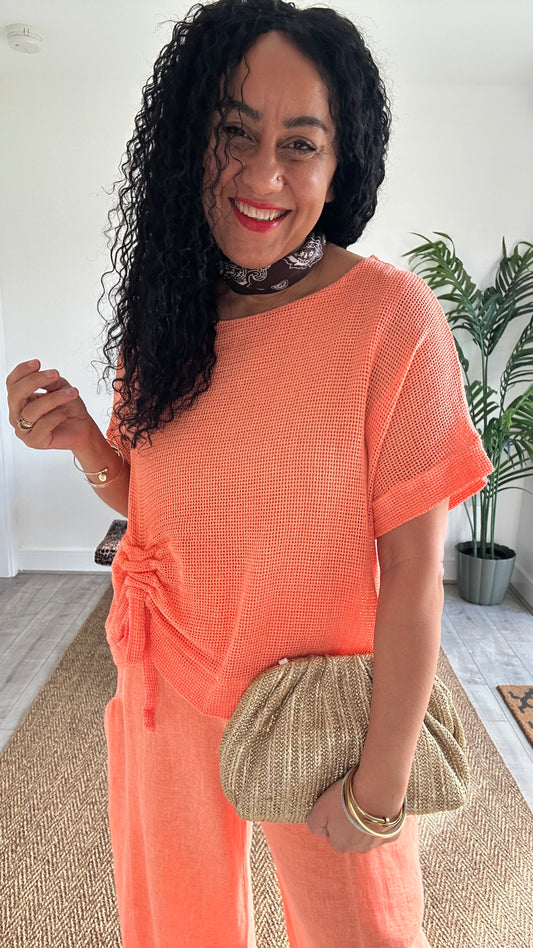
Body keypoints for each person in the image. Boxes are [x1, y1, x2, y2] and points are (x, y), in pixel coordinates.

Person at [6, 1, 493, 945]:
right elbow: (161, 507)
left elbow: (412, 579)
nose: (263, 175)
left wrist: (380, 789)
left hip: (322, 704)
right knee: (176, 927)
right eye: (235, 132)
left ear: (340, 165)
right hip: (170, 675)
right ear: (193, 141)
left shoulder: (389, 319)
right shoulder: (167, 315)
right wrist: (86, 445)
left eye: (299, 144)